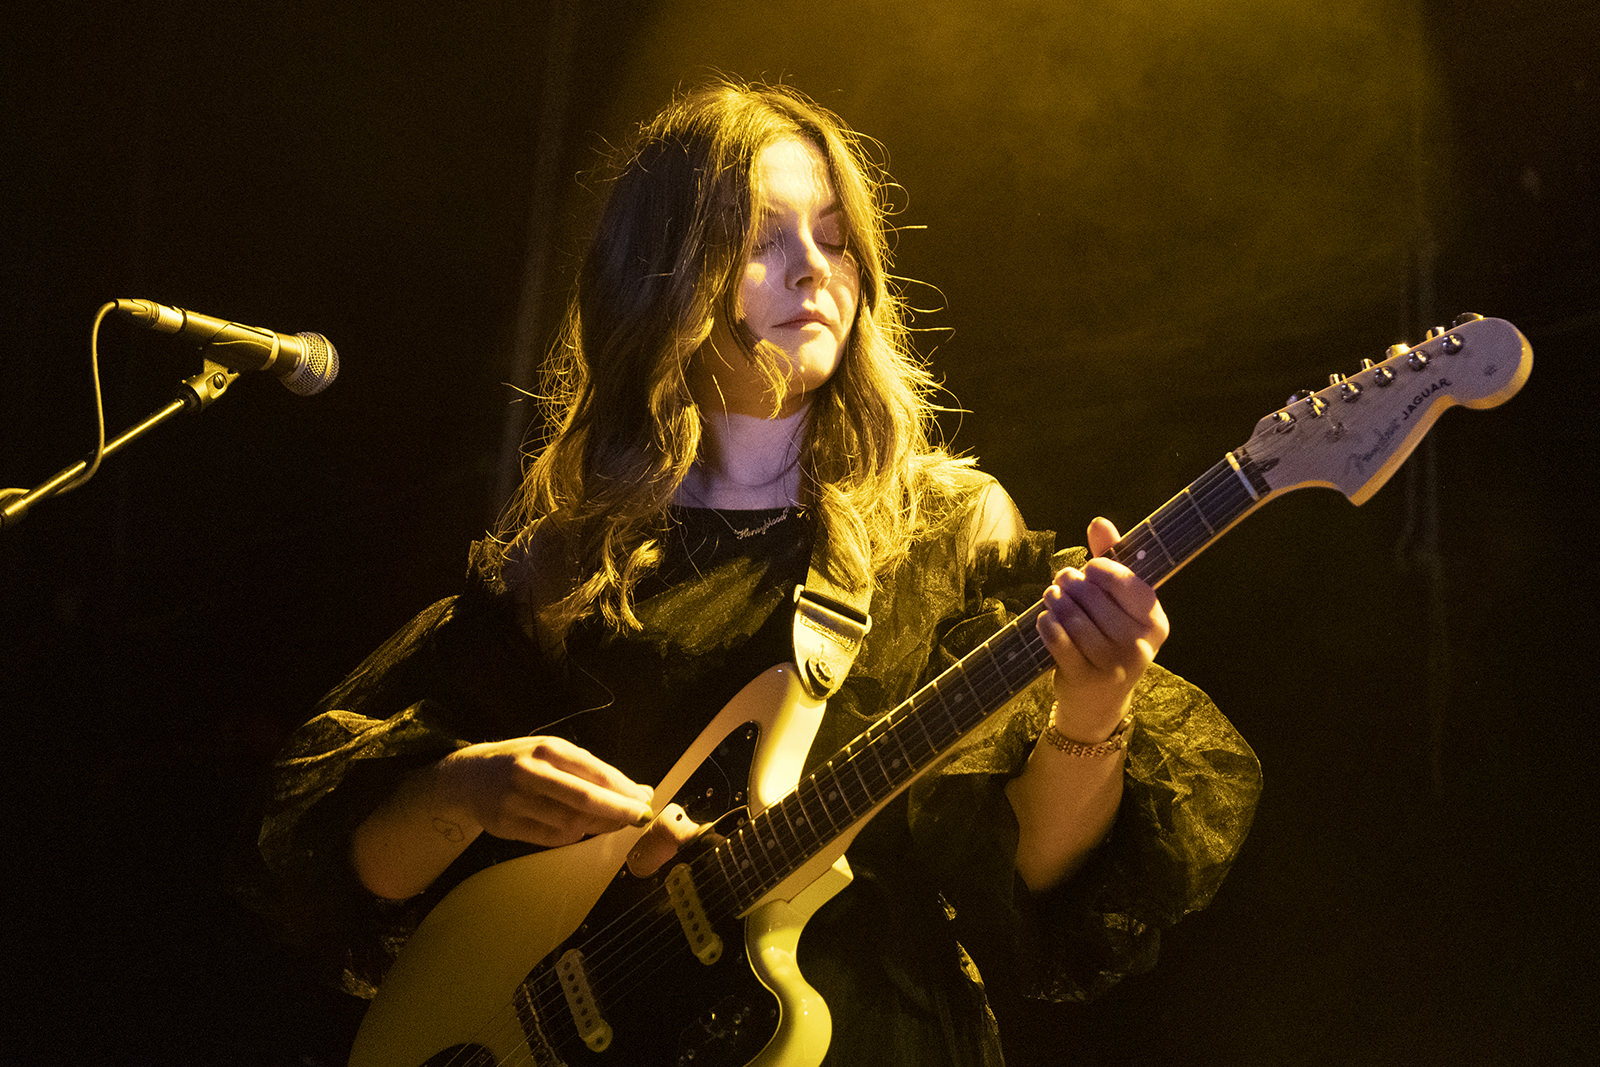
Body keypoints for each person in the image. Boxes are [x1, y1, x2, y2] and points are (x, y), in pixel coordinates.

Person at [240, 80, 1261, 1066]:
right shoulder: (562, 560)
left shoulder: (947, 526)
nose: (815, 269)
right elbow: (357, 875)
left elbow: (1034, 881)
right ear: (663, 278)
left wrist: (1093, 709)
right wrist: (469, 784)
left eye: (832, 236)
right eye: (764, 241)